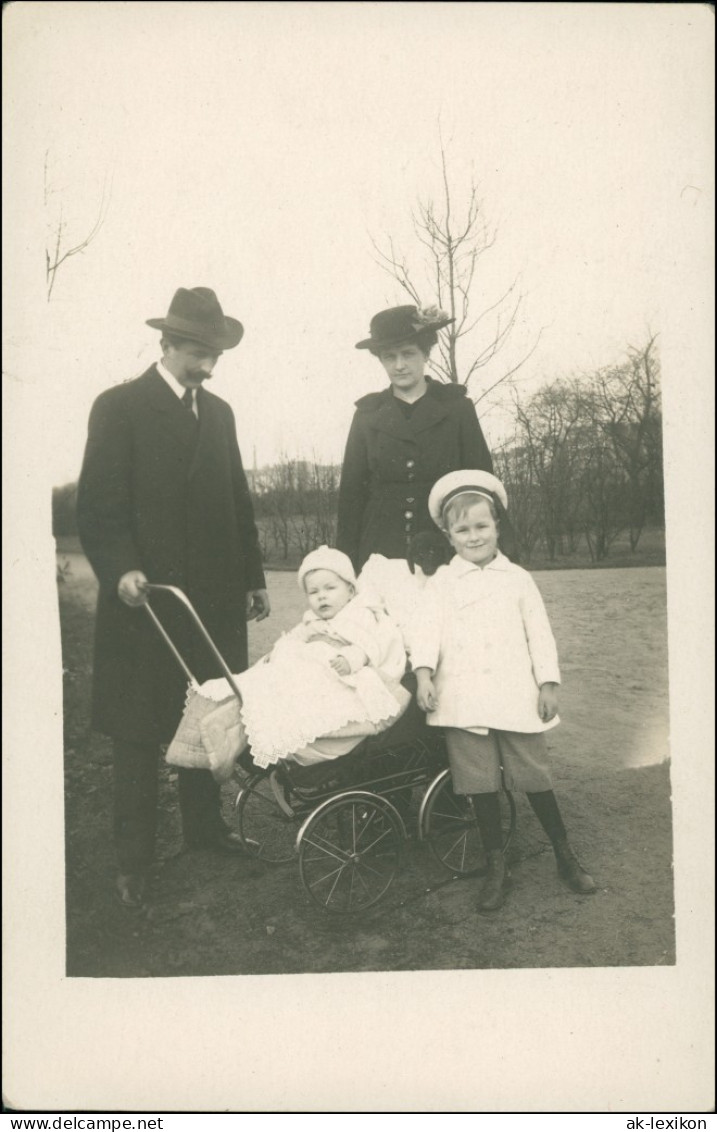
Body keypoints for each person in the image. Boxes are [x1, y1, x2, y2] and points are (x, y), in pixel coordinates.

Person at [76, 286, 270, 908]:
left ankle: (205, 833)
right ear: (166, 344)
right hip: (146, 606)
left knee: (206, 719)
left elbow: (238, 502)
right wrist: (122, 569)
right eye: (197, 352)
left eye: (215, 354)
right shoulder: (119, 407)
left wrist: (253, 576)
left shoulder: (219, 415)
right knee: (138, 732)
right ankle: (133, 862)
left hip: (209, 602)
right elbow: (99, 506)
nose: (209, 365)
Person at [411, 470, 596, 912]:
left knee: (534, 776)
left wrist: (547, 683)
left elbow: (541, 634)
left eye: (481, 526)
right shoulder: (440, 584)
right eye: (462, 529)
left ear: (496, 526)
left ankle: (564, 854)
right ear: (448, 534)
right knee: (479, 785)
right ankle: (497, 865)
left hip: (515, 695)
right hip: (463, 697)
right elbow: (424, 634)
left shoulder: (518, 579)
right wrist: (423, 675)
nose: (473, 536)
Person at [165, 545, 409, 783]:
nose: (322, 596)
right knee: (260, 681)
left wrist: (351, 658)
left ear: (351, 591)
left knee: (289, 691)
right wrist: (279, 653)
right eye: (313, 592)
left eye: (330, 588)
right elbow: (294, 637)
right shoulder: (312, 620)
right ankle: (223, 726)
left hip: (337, 671)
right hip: (307, 666)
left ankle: (231, 731)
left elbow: (370, 644)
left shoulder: (360, 615)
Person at [336, 303, 494, 572]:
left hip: (445, 546)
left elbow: (482, 485)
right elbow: (351, 498)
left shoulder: (456, 408)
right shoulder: (367, 415)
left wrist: (488, 557)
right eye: (389, 356)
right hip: (379, 551)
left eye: (408, 354)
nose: (399, 365)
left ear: (425, 354)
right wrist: (345, 566)